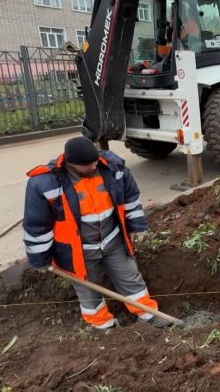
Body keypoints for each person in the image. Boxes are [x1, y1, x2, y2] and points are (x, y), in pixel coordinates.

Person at [23, 136, 169, 329]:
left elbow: (130, 197)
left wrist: (137, 225)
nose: (94, 167)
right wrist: (39, 259)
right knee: (88, 291)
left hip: (112, 239)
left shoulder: (112, 168)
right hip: (78, 250)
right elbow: (37, 225)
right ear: (72, 164)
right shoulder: (45, 184)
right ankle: (103, 325)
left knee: (130, 277)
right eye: (88, 166)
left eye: (95, 162)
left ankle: (148, 314)